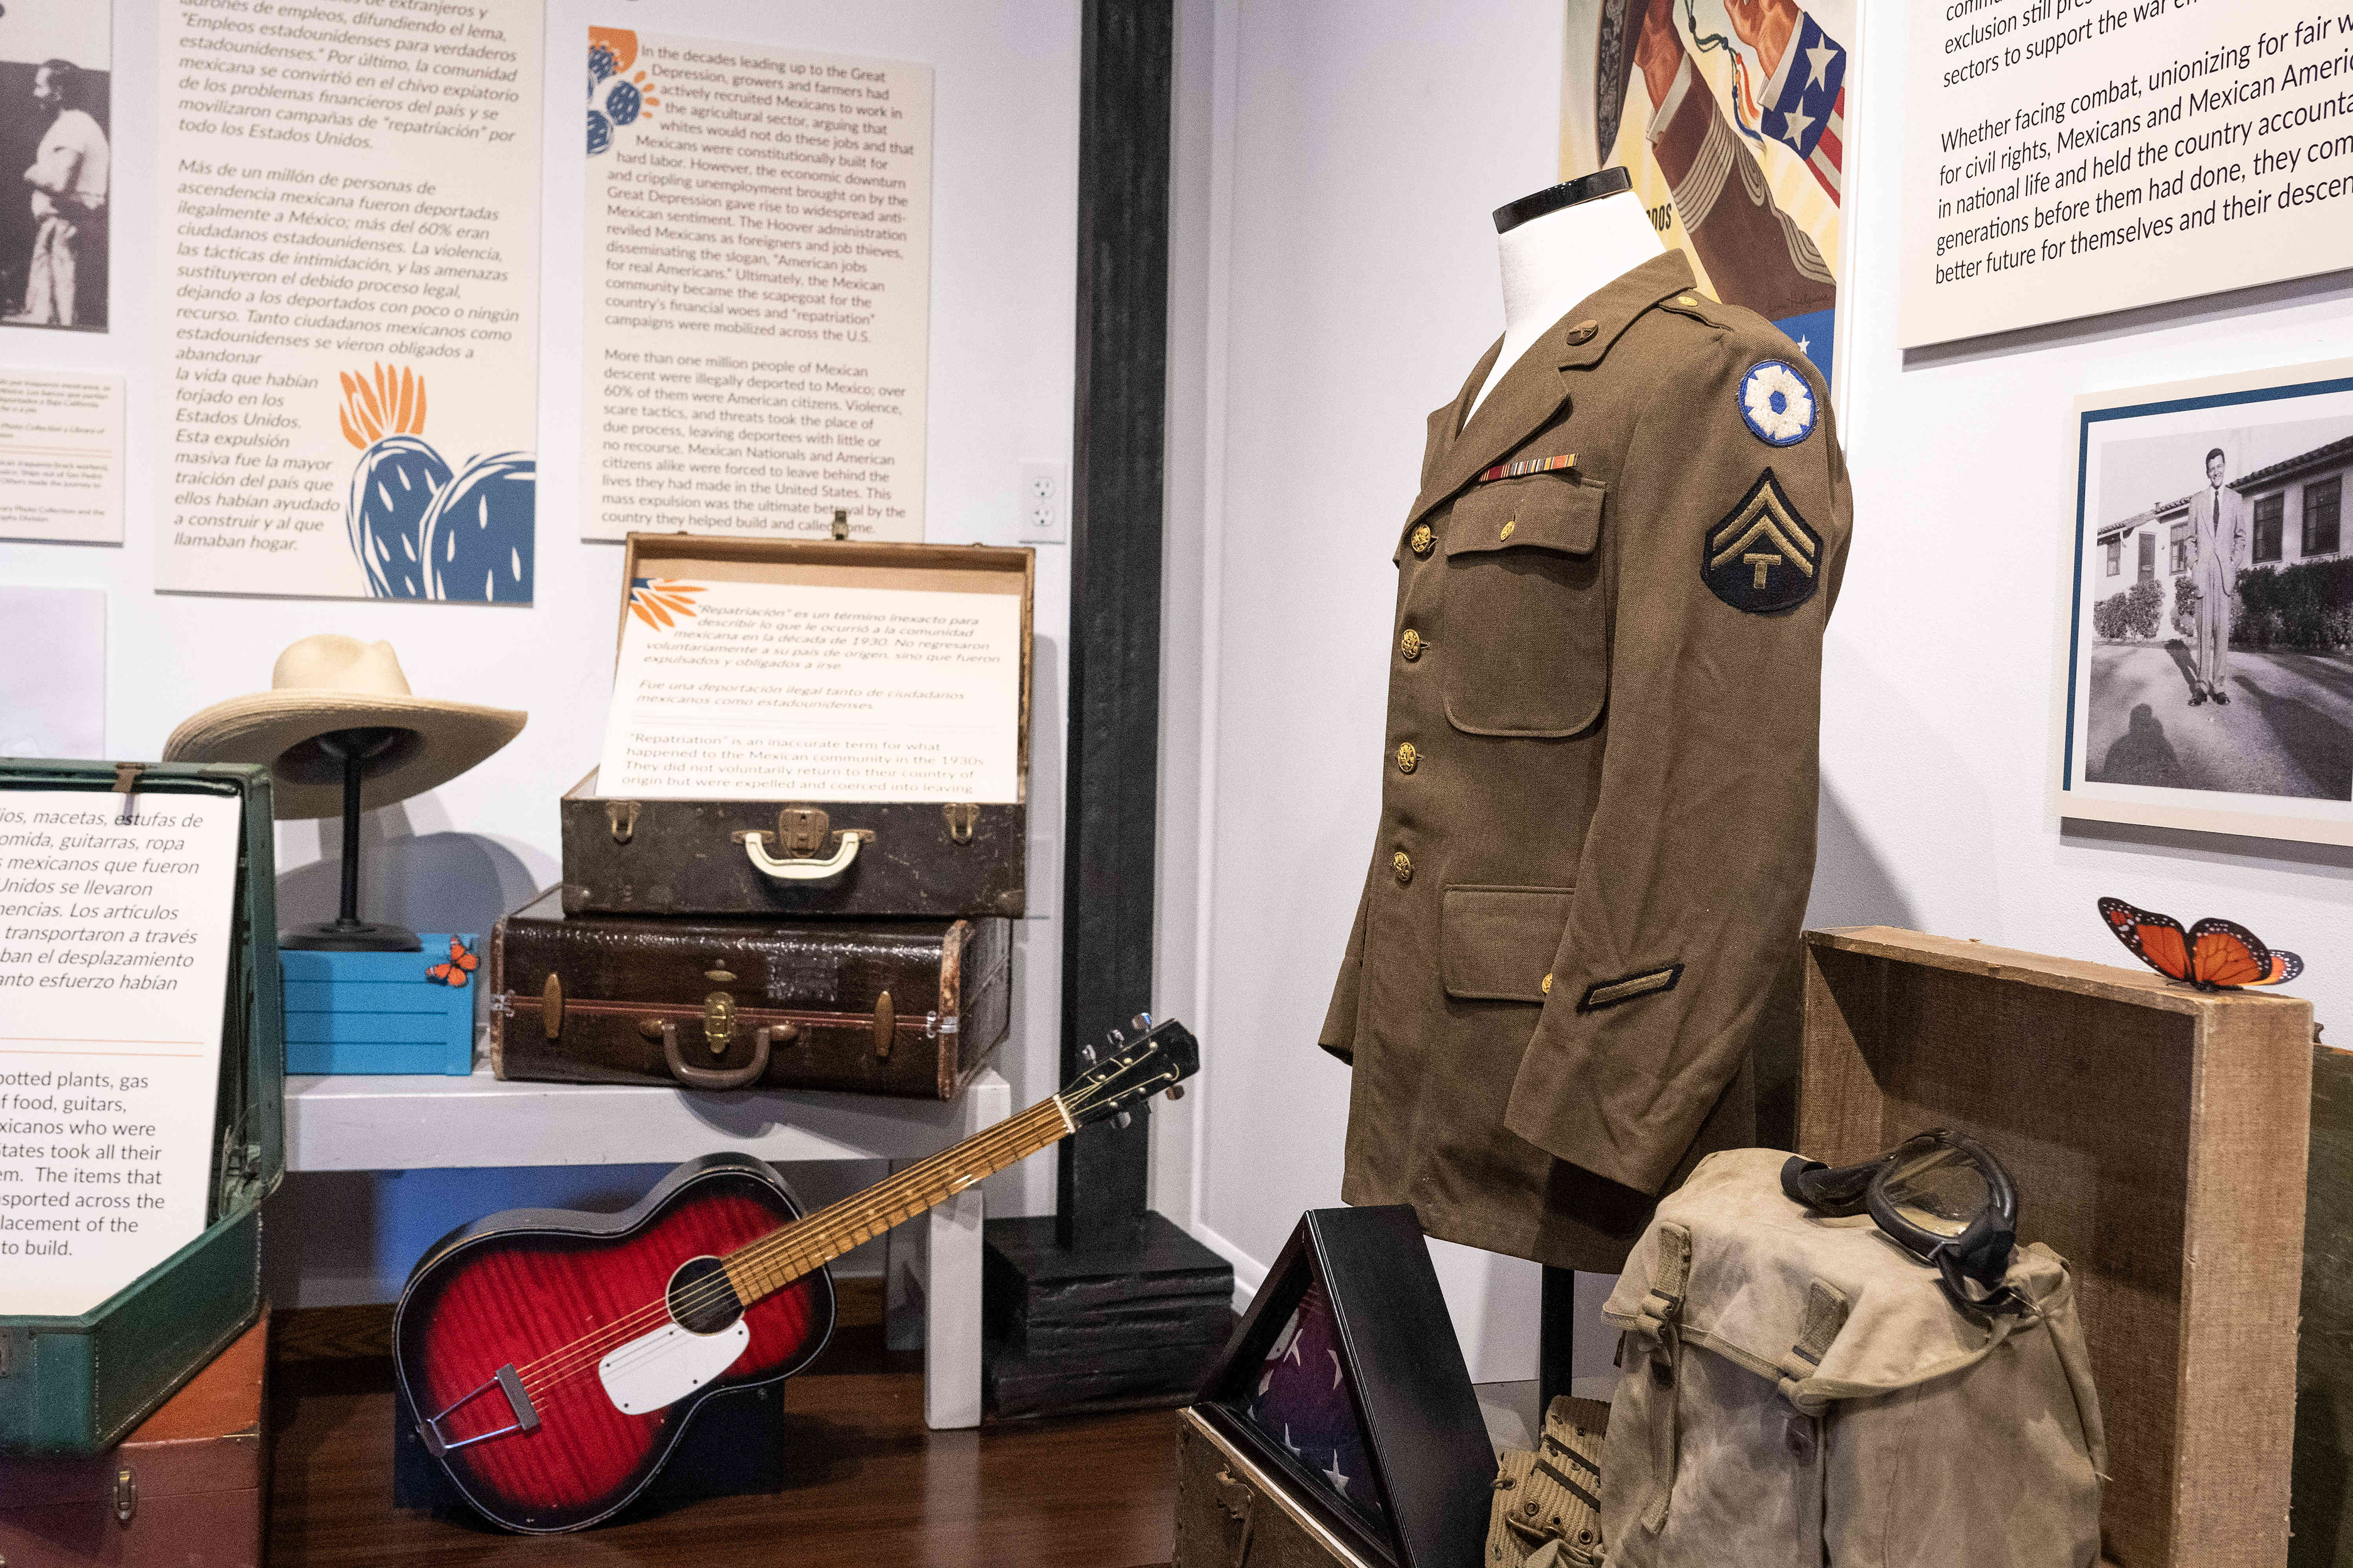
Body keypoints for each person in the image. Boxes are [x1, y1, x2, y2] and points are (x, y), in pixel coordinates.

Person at [15, 59, 109, 329]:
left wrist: (30, 173)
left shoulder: (74, 125)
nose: (35, 94)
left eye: (39, 87)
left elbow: (59, 184)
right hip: (62, 230)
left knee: (59, 322)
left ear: (59, 92)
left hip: (65, 231)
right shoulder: (76, 125)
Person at [2185, 446, 2246, 706]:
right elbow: (2190, 540)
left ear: (2224, 467)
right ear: (2207, 472)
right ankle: (2201, 687)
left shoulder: (2235, 499)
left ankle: (2219, 687)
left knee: (2222, 632)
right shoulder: (2197, 501)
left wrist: (2233, 564)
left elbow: (2241, 538)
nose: (2216, 472)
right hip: (2204, 574)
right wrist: (2195, 564)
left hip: (2224, 575)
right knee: (2203, 632)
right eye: (2212, 469)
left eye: (2219, 467)